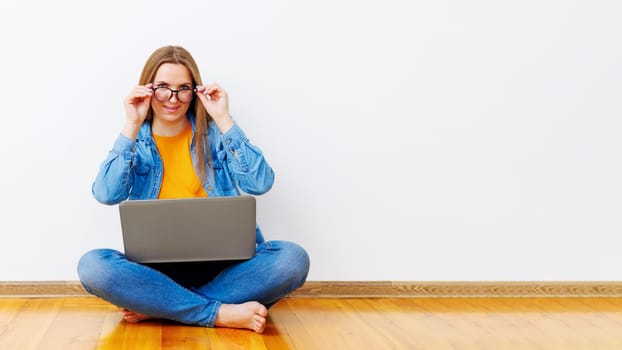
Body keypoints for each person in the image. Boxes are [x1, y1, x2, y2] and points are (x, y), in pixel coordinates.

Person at [77, 45, 310, 333]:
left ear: (194, 91)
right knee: (93, 266)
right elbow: (105, 193)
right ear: (148, 89)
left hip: (227, 269)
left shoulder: (214, 135)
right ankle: (220, 312)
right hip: (159, 274)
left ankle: (164, 307)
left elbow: (260, 183)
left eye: (183, 88)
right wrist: (131, 123)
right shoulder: (136, 141)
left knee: (292, 259)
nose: (172, 99)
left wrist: (224, 118)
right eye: (163, 87)